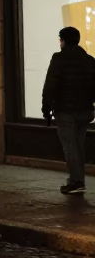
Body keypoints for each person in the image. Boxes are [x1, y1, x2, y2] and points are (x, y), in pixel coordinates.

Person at [42, 26, 95, 196]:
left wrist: (46, 108)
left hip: (65, 111)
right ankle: (77, 179)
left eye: (60, 39)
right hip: (85, 111)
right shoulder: (88, 60)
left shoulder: (59, 59)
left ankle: (77, 181)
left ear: (63, 40)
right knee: (78, 145)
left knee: (70, 147)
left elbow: (50, 85)